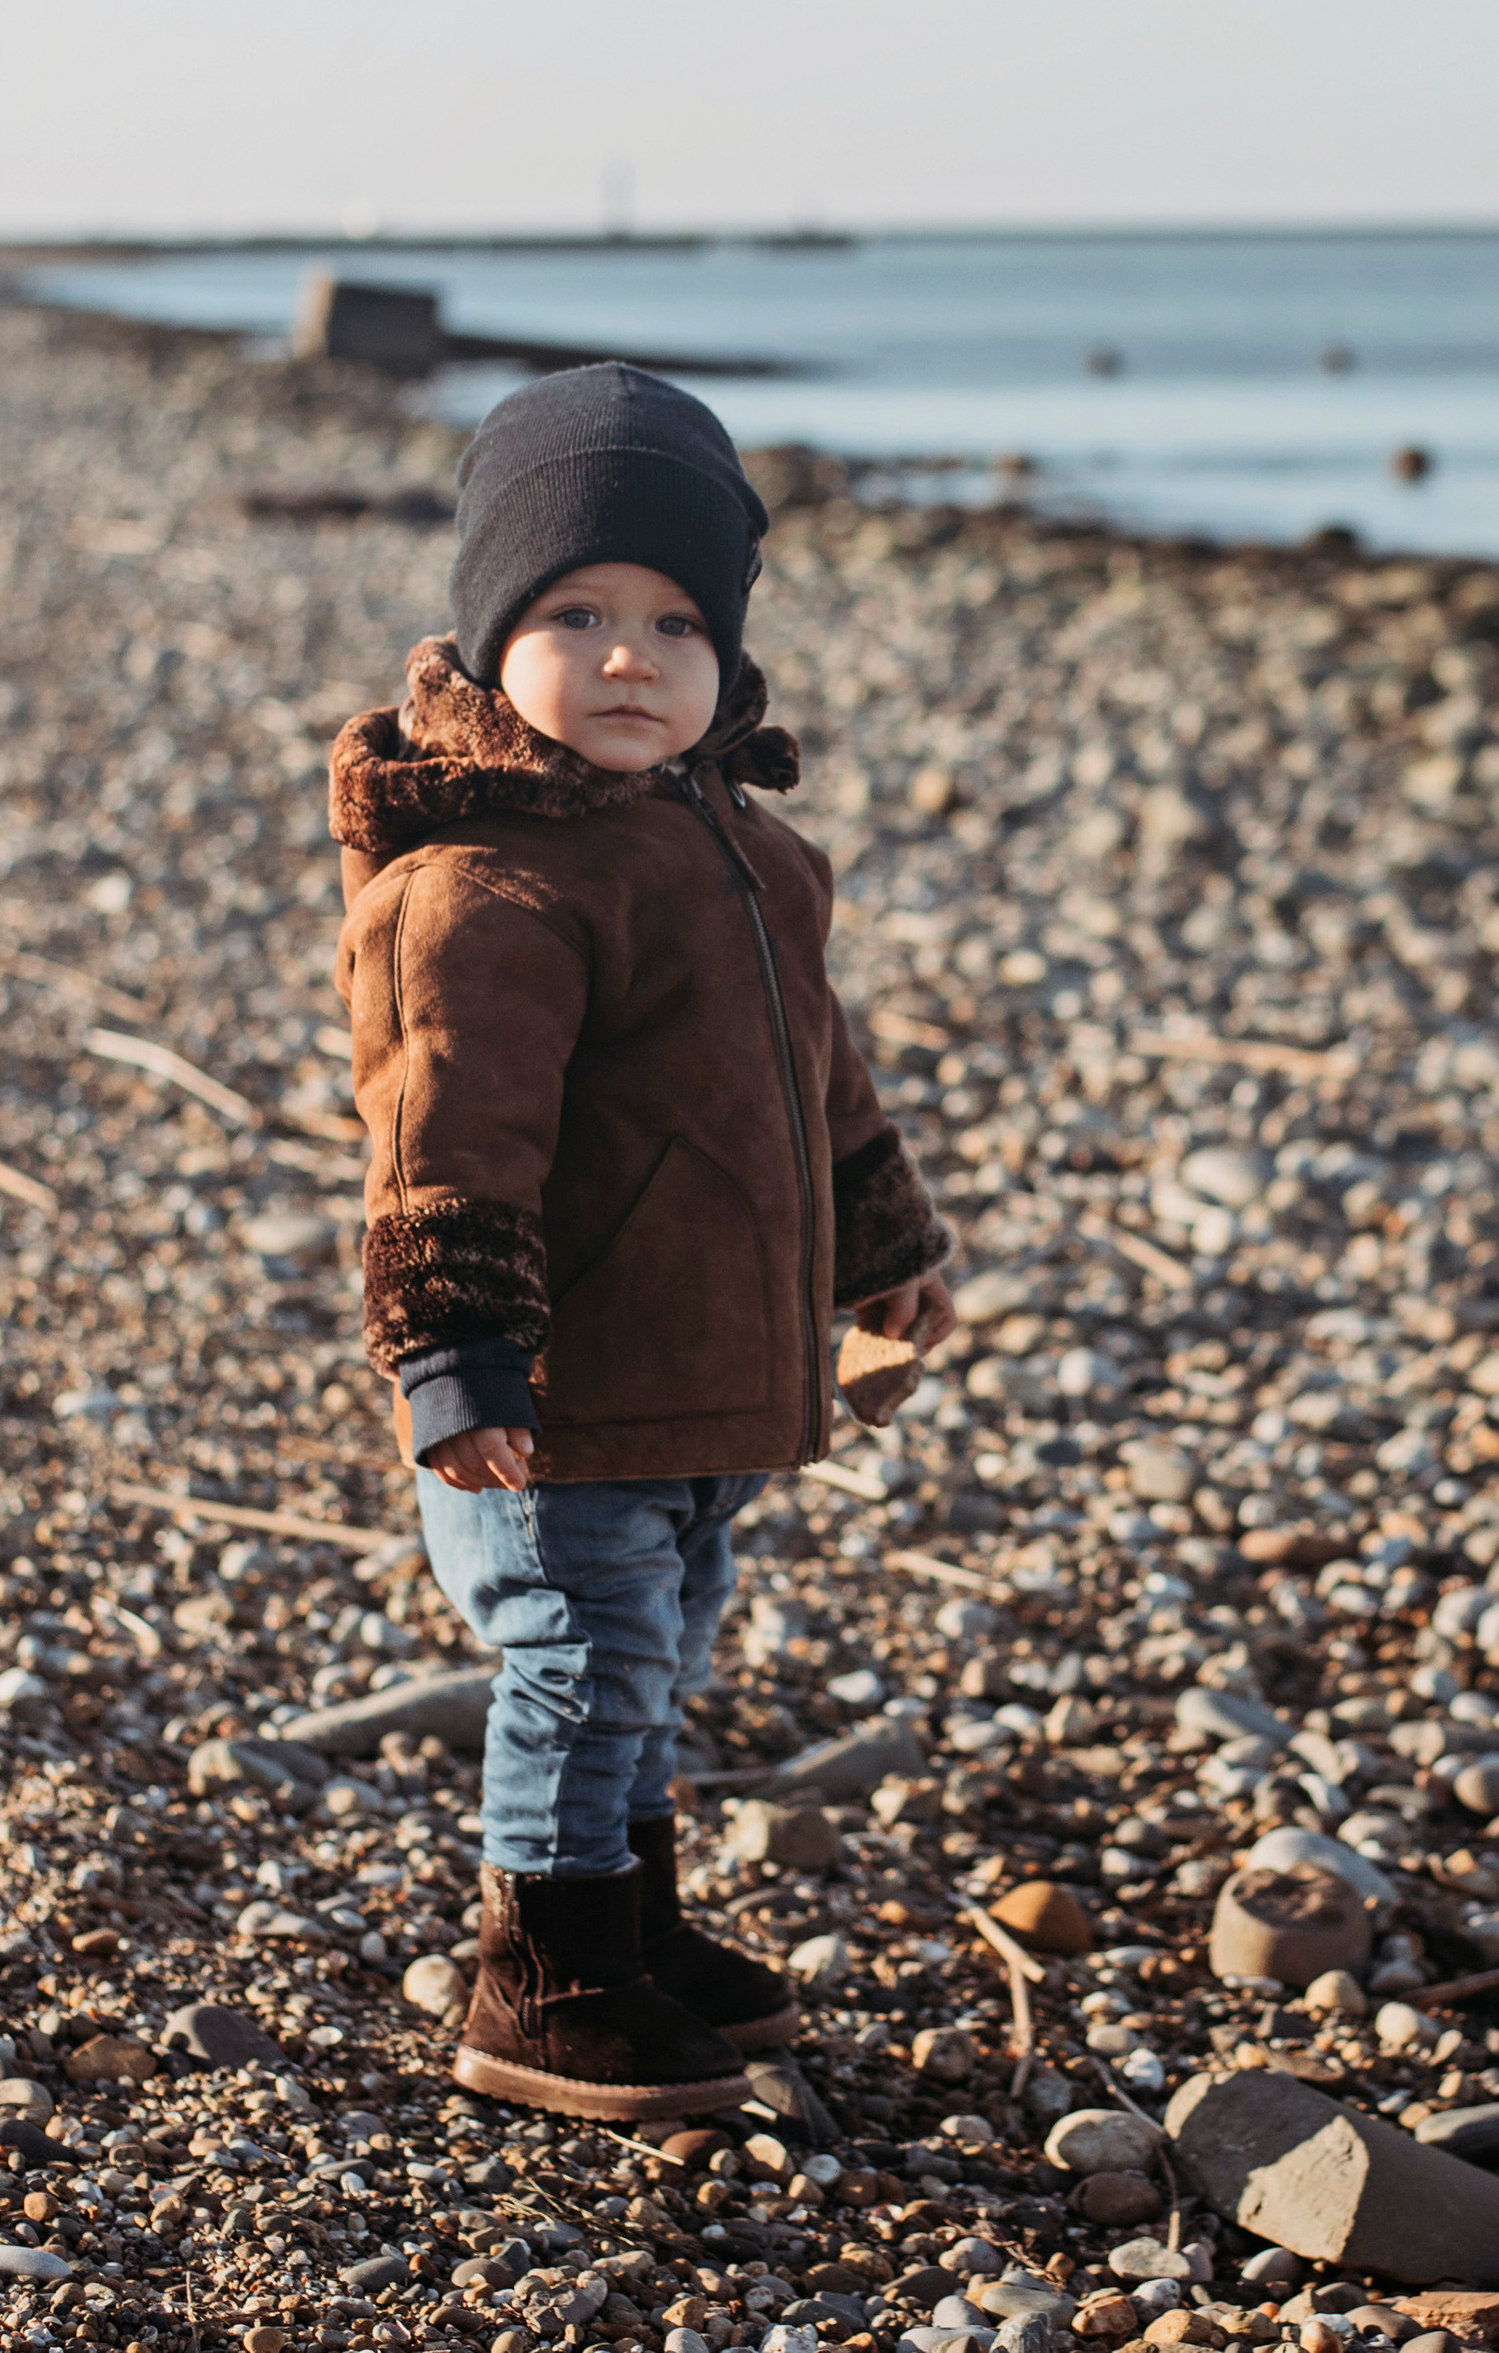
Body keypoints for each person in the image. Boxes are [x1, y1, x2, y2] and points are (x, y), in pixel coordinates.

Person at [328, 363, 957, 2124]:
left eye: (678, 623)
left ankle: (635, 1928)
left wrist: (878, 1244)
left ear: (730, 656)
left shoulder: (751, 854)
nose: (630, 658)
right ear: (486, 637)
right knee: (579, 1655)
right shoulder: (484, 888)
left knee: (659, 1648)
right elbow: (443, 1137)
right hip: (563, 1382)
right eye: (578, 612)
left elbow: (815, 1078)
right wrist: (454, 1353)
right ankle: (543, 1974)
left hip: (703, 1368)